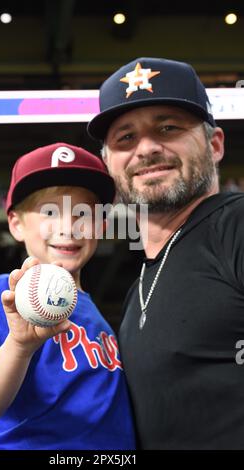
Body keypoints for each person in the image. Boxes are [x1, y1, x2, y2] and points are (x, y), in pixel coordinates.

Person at [87, 57, 244, 449]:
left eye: (168, 127)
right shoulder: (138, 287)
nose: (147, 149)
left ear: (215, 144)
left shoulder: (236, 225)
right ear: (109, 165)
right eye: (125, 138)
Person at [0, 142, 136, 450]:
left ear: (103, 226)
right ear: (16, 224)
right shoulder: (8, 293)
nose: (68, 227)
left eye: (83, 213)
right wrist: (19, 345)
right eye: (50, 212)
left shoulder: (98, 313)